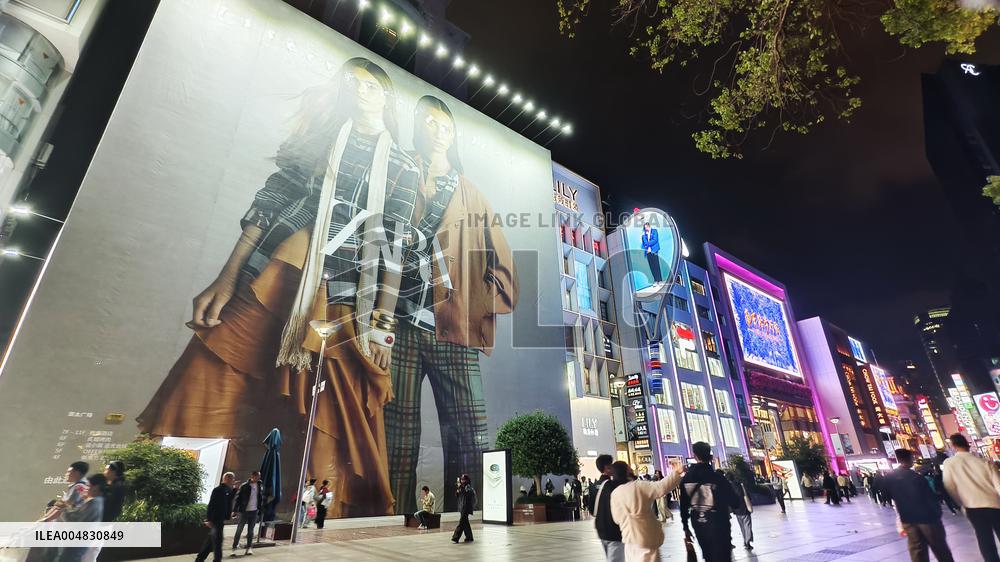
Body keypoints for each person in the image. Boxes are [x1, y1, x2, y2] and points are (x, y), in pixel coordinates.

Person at [137, 57, 420, 518]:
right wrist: (228, 276)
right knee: (214, 373)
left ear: (386, 96)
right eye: (353, 83)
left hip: (348, 293)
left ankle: (309, 519)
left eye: (372, 85)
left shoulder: (404, 165)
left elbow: (396, 243)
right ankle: (180, 502)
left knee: (329, 410)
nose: (362, 91)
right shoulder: (322, 138)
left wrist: (384, 326)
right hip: (284, 263)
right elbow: (272, 199)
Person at [385, 95, 518, 515]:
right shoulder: (394, 172)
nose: (438, 130)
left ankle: (475, 512)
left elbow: (506, 272)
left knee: (470, 433)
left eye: (446, 125)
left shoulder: (471, 195)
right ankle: (394, 517)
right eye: (429, 122)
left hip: (453, 332)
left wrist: (471, 305)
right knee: (397, 435)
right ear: (416, 126)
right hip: (399, 326)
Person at [882, 449, 955, 562]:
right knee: (940, 548)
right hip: (927, 518)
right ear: (908, 459)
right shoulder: (916, 477)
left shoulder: (889, 478)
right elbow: (929, 497)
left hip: (907, 519)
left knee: (917, 550)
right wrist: (937, 512)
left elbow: (887, 495)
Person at [942, 433, 1000, 562]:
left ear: (953, 446)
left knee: (985, 540)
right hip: (994, 504)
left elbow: (950, 486)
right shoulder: (984, 462)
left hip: (973, 507)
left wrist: (961, 503)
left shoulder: (949, 463)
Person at [680, 442, 741, 562]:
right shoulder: (718, 477)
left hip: (698, 522)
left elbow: (683, 505)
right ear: (709, 455)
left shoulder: (686, 479)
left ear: (695, 456)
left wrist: (685, 527)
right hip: (719, 522)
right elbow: (735, 501)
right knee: (723, 556)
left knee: (708, 555)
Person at [610, 461, 681, 561]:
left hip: (629, 541)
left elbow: (616, 519)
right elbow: (661, 487)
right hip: (645, 539)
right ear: (626, 471)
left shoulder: (615, 493)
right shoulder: (638, 486)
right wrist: (676, 473)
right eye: (629, 467)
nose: (631, 469)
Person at [57, 473, 107, 562]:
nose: (86, 488)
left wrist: (63, 509)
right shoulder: (97, 501)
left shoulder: (94, 503)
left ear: (96, 487)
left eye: (89, 486)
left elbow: (75, 520)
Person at [196, 472, 235, 562]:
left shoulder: (227, 490)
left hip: (220, 520)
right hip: (215, 520)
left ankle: (199, 559)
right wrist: (209, 519)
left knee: (210, 543)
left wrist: (228, 515)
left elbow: (228, 503)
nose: (233, 481)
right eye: (232, 479)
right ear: (228, 479)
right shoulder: (218, 490)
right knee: (217, 543)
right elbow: (211, 505)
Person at [592, 455, 625, 562]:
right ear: (607, 468)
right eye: (612, 465)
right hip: (613, 529)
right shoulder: (612, 485)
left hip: (600, 527)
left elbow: (591, 508)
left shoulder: (594, 486)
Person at [232, 471, 263, 555]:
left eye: (259, 477)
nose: (258, 478)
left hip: (254, 511)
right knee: (239, 530)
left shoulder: (260, 486)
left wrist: (260, 509)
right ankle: (234, 547)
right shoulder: (244, 486)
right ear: (253, 476)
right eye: (257, 476)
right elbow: (237, 499)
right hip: (244, 511)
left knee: (251, 530)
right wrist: (234, 510)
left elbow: (260, 498)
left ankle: (249, 547)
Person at [728, 473, 754, 551]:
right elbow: (747, 495)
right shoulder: (740, 485)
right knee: (747, 525)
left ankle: (746, 541)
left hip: (737, 510)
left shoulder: (729, 487)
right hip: (744, 508)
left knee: (742, 527)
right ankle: (747, 542)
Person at [451, 474, 476, 543]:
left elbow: (467, 494)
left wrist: (461, 488)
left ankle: (456, 537)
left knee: (461, 522)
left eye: (463, 479)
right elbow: (457, 495)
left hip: (466, 507)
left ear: (467, 480)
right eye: (461, 479)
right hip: (462, 507)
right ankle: (469, 537)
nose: (462, 481)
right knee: (465, 523)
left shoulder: (468, 487)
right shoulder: (461, 487)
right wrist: (458, 489)